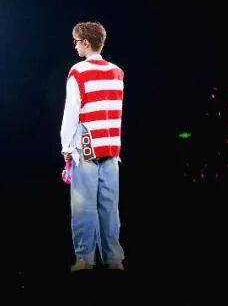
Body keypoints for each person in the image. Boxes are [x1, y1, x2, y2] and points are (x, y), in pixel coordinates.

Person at [60, 21, 126, 271]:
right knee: (110, 206)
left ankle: (84, 259)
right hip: (111, 145)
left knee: (83, 205)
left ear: (86, 43)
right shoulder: (118, 72)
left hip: (86, 145)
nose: (75, 45)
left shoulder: (78, 71)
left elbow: (71, 112)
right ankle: (114, 259)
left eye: (77, 41)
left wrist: (66, 147)